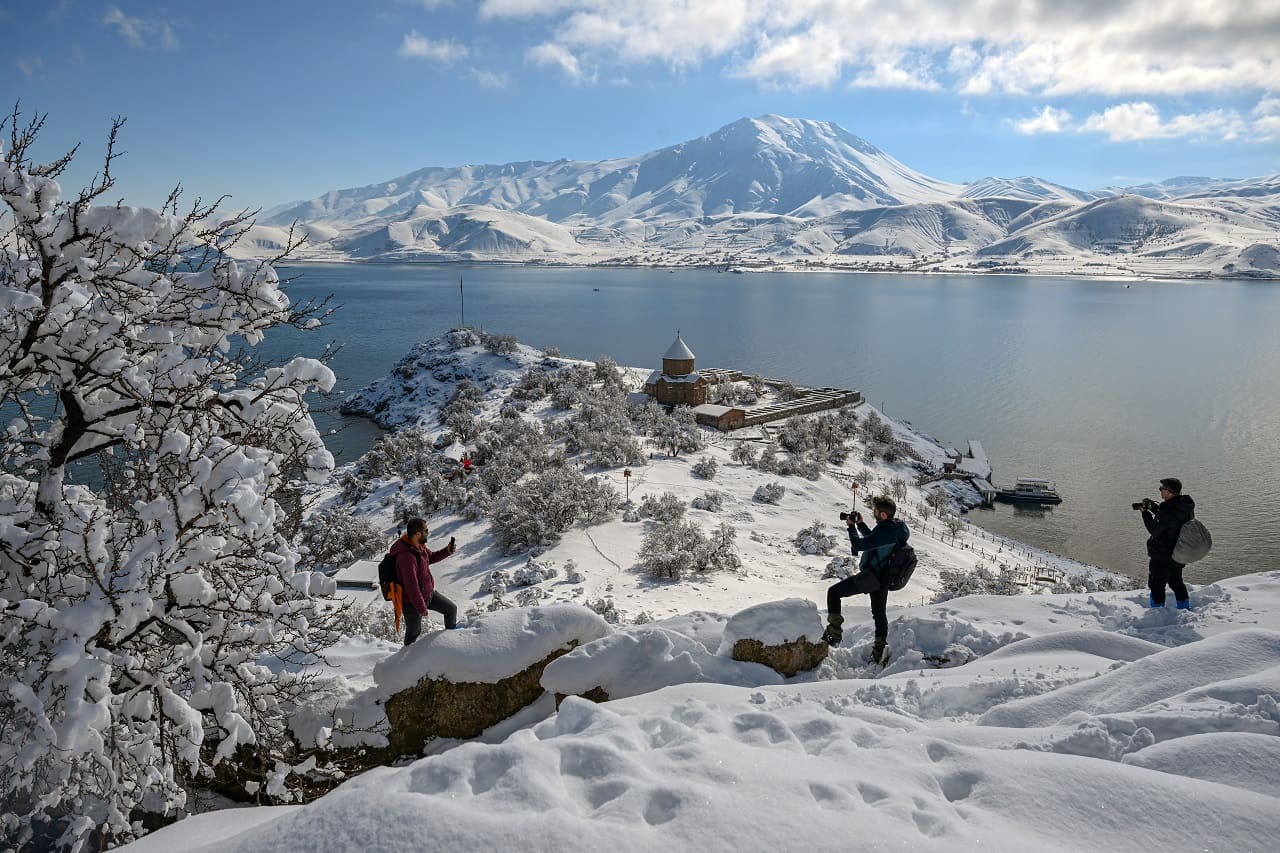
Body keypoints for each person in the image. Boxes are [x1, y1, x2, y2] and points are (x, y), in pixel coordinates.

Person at [821, 495, 910, 663]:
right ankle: (878, 651)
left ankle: (834, 634)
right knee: (879, 614)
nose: (873, 511)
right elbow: (874, 541)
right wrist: (861, 524)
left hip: (872, 577)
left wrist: (851, 527)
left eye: (875, 510)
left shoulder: (884, 531)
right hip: (884, 576)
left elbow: (860, 545)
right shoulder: (893, 528)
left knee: (833, 593)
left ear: (883, 514)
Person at [390, 517, 459, 644]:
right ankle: (405, 659)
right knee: (414, 633)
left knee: (451, 609)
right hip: (411, 603)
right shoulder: (406, 557)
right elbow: (412, 586)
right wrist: (421, 607)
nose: (428, 533)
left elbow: (430, 557)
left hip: (429, 594)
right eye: (426, 531)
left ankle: (452, 644)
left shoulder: (419, 547)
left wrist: (446, 551)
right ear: (417, 534)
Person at [1141, 477, 1195, 609]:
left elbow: (1154, 530)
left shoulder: (1168, 511)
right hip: (1178, 553)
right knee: (1176, 581)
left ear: (1169, 491)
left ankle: (1157, 612)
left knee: (1156, 584)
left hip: (1162, 554)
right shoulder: (1184, 506)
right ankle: (1184, 607)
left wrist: (1145, 513)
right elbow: (1169, 519)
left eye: (1162, 489)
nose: (1160, 491)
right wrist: (1155, 508)